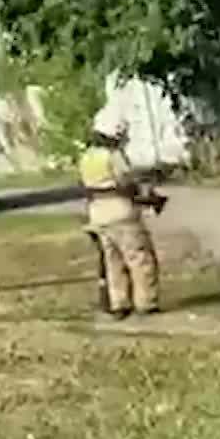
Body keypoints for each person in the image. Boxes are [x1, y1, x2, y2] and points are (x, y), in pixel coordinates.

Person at [78, 108, 167, 319]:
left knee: (113, 261)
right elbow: (126, 182)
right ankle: (146, 302)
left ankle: (119, 302)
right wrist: (148, 196)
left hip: (98, 214)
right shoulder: (113, 156)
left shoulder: (87, 157)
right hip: (121, 212)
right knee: (140, 258)